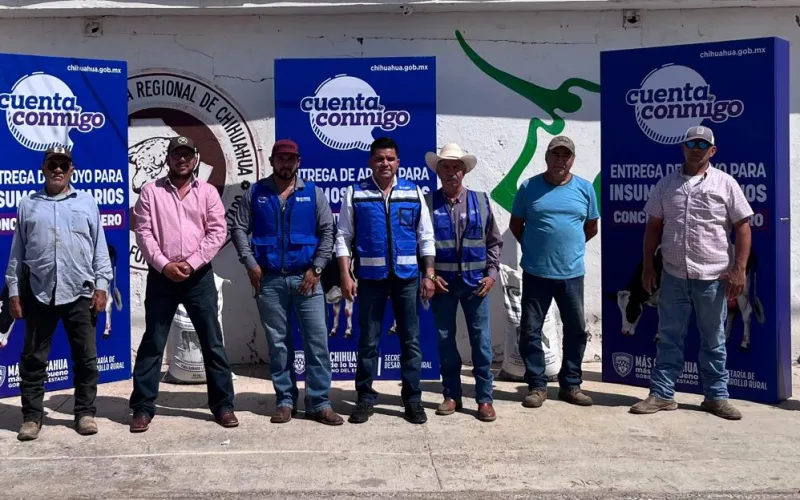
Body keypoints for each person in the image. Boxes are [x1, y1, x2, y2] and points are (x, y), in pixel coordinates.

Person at [631, 125, 752, 420]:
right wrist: (648, 266)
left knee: (714, 340)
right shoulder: (666, 185)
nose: (696, 149)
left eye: (702, 144)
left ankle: (716, 397)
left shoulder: (726, 184)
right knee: (668, 337)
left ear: (712, 151)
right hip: (673, 277)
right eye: (691, 144)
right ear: (683, 147)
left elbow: (743, 227)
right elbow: (653, 227)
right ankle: (662, 394)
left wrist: (739, 269)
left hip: (712, 278)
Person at [129, 135, 237, 432]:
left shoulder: (208, 193)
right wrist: (165, 265)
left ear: (194, 159)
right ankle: (142, 407)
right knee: (153, 342)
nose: (182, 160)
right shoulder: (151, 191)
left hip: (198, 276)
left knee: (212, 342)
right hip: (161, 276)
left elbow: (217, 232)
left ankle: (223, 405)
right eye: (176, 154)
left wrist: (191, 263)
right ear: (168, 159)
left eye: (187, 155)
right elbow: (144, 232)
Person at [231, 139, 342, 426]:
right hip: (269, 281)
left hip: (307, 279)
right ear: (271, 161)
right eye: (280, 158)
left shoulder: (313, 193)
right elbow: (239, 228)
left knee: (317, 342)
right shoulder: (256, 193)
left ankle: (319, 402)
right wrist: (250, 263)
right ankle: (285, 401)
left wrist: (317, 268)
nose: (285, 163)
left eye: (291, 159)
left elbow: (328, 231)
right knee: (279, 344)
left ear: (298, 162)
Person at [6, 146, 113, 441]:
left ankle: (85, 413)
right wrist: (14, 290)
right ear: (43, 168)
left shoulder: (87, 202)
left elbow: (99, 248)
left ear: (71, 170)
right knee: (33, 360)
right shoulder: (28, 204)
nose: (57, 169)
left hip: (80, 292)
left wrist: (102, 286)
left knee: (86, 358)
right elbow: (17, 252)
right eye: (52, 164)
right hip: (39, 292)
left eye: (63, 165)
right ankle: (31, 417)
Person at [335, 136, 436, 425]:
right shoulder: (355, 193)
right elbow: (343, 237)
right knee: (368, 341)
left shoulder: (413, 192)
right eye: (379, 158)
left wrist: (429, 274)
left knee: (411, 341)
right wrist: (345, 274)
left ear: (398, 162)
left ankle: (412, 398)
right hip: (370, 279)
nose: (385, 163)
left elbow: (425, 237)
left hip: (407, 279)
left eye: (390, 158)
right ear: (371, 162)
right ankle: (365, 398)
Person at [510, 135, 599, 408]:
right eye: (555, 154)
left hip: (572, 274)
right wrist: (536, 249)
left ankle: (570, 385)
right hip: (536, 273)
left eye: (566, 155)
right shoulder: (529, 187)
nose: (560, 160)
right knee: (530, 330)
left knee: (576, 330)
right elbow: (516, 225)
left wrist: (568, 249)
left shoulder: (585, 189)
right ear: (547, 157)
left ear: (572, 159)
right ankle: (537, 386)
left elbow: (591, 227)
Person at [423, 143, 503, 422]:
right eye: (445, 166)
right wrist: (429, 275)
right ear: (438, 171)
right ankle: (451, 395)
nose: (451, 172)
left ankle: (485, 399)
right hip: (442, 286)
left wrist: (491, 275)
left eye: (456, 167)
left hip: (475, 285)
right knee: (445, 341)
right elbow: (420, 244)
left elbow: (494, 242)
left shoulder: (481, 201)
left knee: (481, 342)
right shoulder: (427, 203)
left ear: (464, 171)